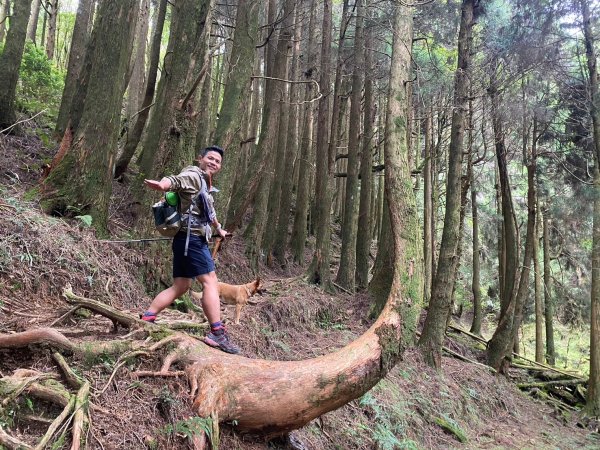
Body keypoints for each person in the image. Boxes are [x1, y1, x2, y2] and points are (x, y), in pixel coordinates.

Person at [141, 145, 240, 354]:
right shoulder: (194, 175)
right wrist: (161, 185)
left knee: (182, 286)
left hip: (185, 240)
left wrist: (219, 229)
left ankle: (148, 317)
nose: (213, 163)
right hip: (191, 240)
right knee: (210, 281)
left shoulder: (205, 184)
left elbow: (209, 212)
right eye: (210, 158)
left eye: (217, 161)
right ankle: (217, 332)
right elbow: (176, 180)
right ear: (200, 159)